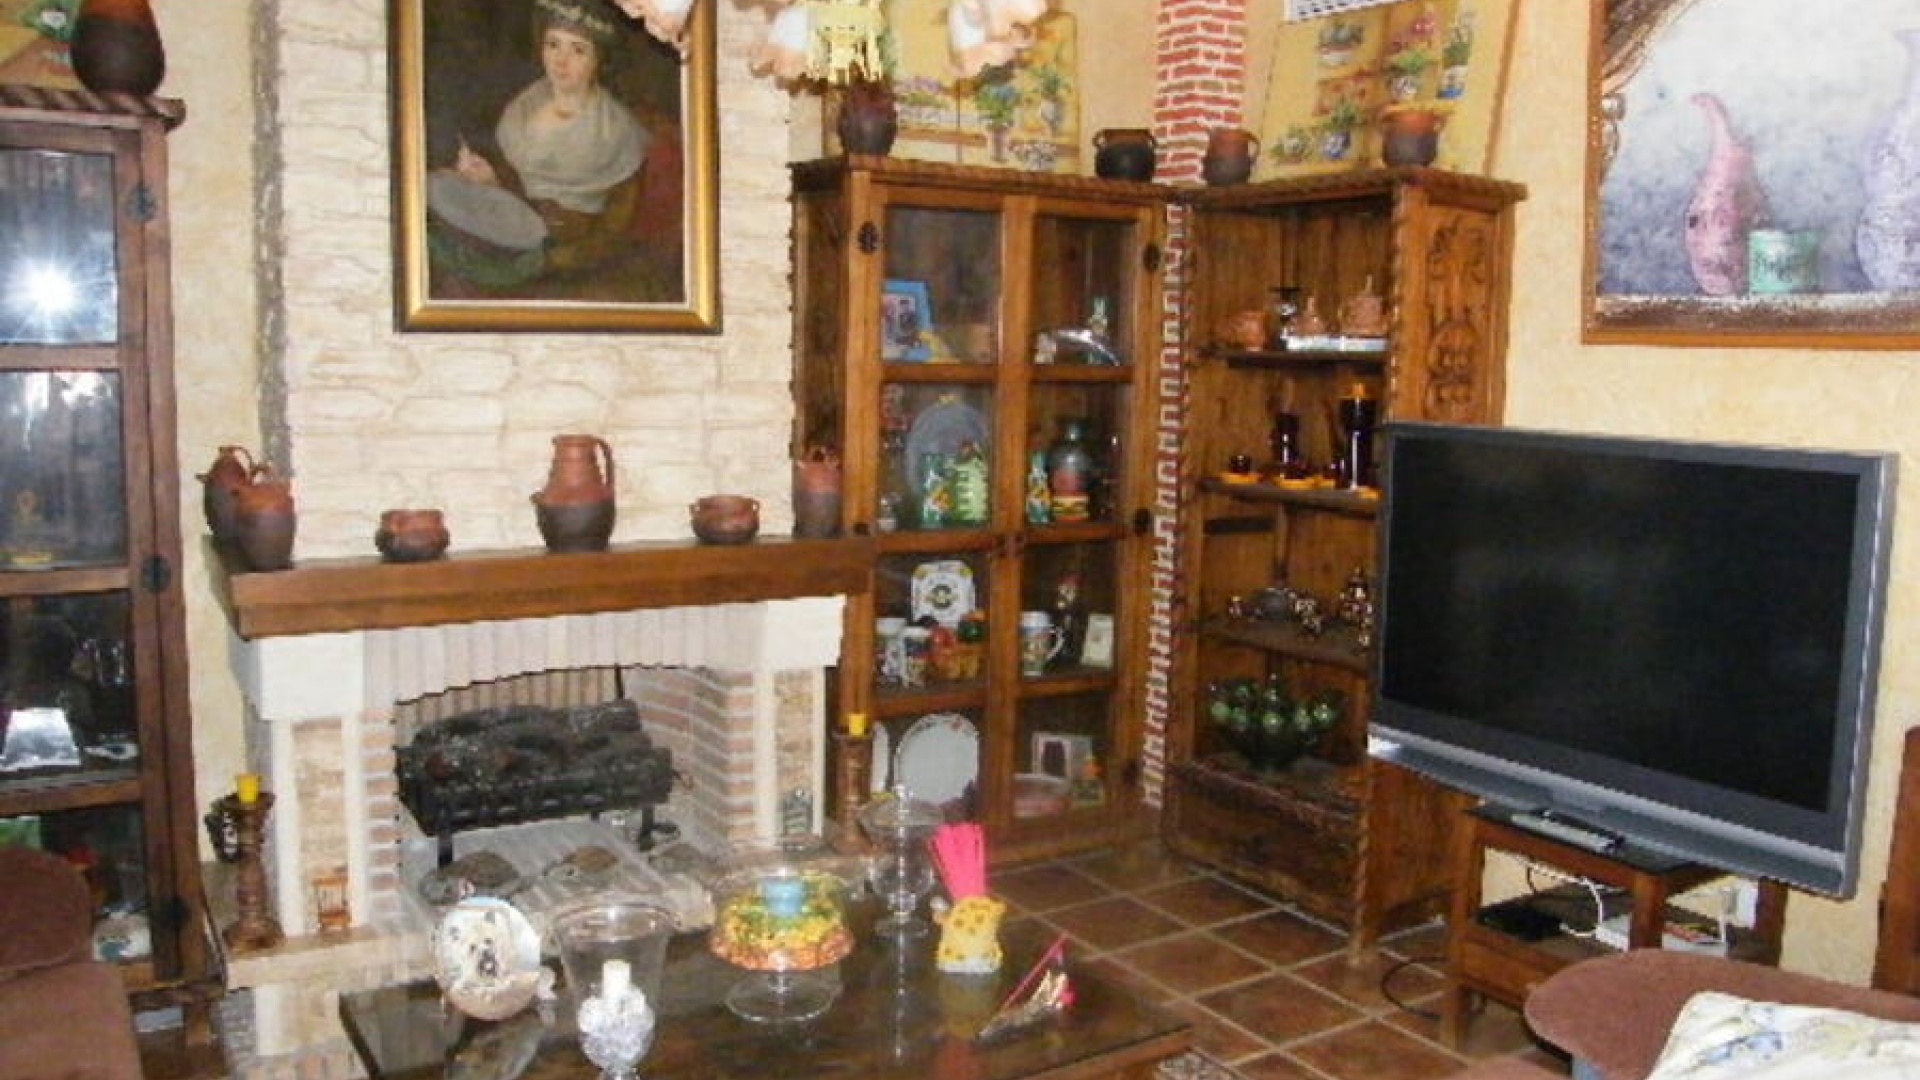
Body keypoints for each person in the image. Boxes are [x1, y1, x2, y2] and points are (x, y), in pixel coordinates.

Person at [455, 0, 651, 274]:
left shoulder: (619, 130)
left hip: (577, 261)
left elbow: (615, 226)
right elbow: (515, 196)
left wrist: (557, 260)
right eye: (553, 45)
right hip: (514, 240)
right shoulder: (521, 110)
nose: (561, 60)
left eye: (578, 50)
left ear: (599, 59)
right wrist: (489, 180)